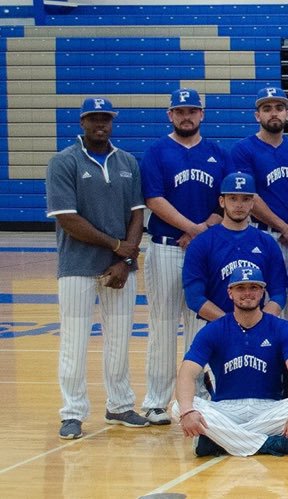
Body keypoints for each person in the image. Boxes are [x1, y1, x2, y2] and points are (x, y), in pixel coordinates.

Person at [47, 96, 151, 437]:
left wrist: (124, 259)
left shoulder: (127, 162)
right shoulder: (64, 161)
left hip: (121, 269)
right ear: (82, 122)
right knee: (74, 341)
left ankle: (119, 405)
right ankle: (72, 412)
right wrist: (116, 246)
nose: (100, 124)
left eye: (105, 118)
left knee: (120, 341)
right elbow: (68, 219)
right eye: (93, 118)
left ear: (112, 121)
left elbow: (137, 212)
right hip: (76, 266)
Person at [141, 88, 229, 425]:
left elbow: (227, 199)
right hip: (166, 246)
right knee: (163, 324)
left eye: (192, 110)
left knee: (199, 325)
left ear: (202, 114)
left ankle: (198, 395)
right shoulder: (157, 152)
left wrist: (203, 229)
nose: (186, 116)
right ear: (170, 115)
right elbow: (153, 198)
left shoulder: (217, 153)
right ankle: (155, 400)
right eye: (180, 111)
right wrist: (192, 227)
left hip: (204, 247)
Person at [172, 267, 288, 457]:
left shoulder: (282, 328)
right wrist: (187, 411)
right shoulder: (214, 329)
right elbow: (187, 373)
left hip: (269, 407)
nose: (247, 293)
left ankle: (220, 441)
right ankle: (268, 443)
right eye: (240, 288)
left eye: (253, 287)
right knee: (179, 406)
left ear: (262, 292)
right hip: (226, 408)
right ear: (230, 292)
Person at [181, 172, 288, 356]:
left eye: (245, 199)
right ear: (222, 202)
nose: (239, 205)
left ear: (253, 203)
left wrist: (257, 323)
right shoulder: (202, 243)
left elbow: (278, 294)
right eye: (233, 198)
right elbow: (194, 298)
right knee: (201, 381)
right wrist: (233, 325)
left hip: (257, 330)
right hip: (214, 326)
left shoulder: (267, 243)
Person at [231, 86, 288, 270]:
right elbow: (249, 196)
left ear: (286, 114)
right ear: (257, 116)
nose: (274, 113)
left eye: (279, 108)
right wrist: (284, 228)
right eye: (267, 109)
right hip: (262, 233)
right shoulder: (243, 149)